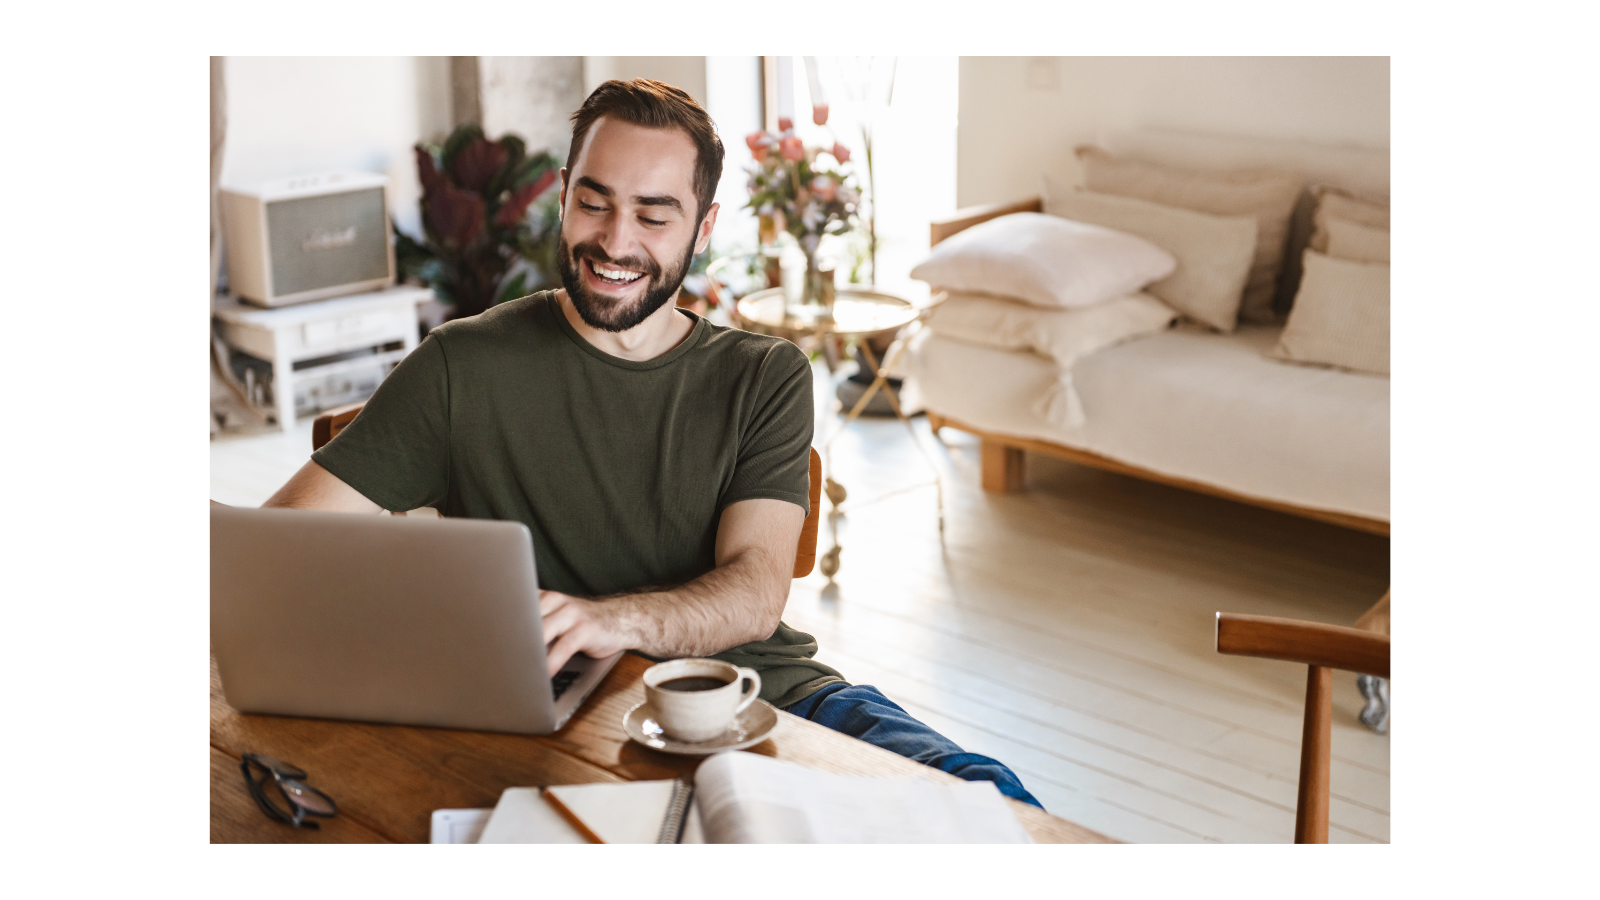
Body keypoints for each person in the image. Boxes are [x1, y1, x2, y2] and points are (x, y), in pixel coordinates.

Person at [265, 79, 1041, 809]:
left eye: (653, 215)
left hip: (763, 697)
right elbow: (278, 548)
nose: (614, 241)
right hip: (560, 718)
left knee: (992, 800)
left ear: (703, 229)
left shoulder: (764, 375)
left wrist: (614, 622)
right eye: (594, 203)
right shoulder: (460, 364)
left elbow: (756, 592)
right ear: (564, 197)